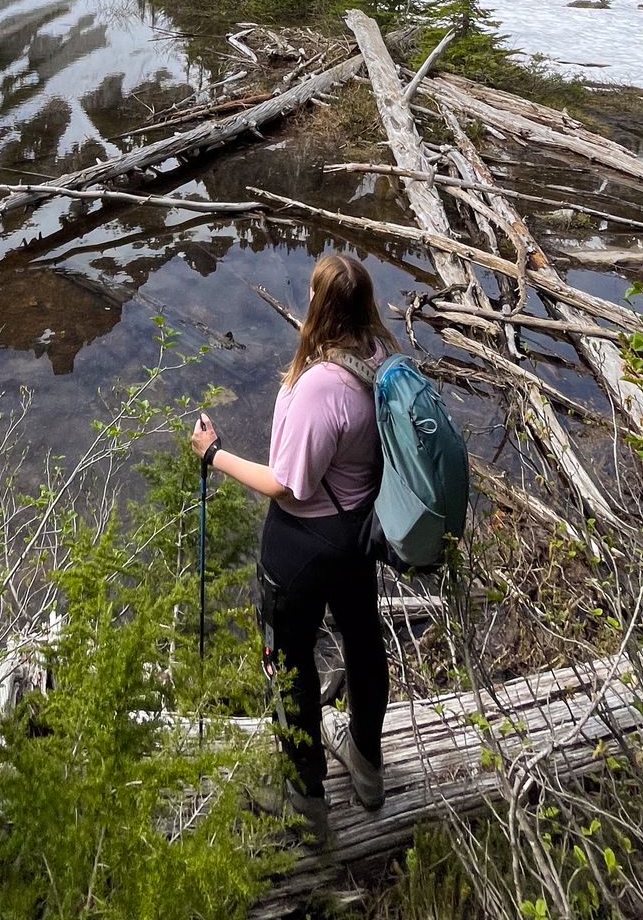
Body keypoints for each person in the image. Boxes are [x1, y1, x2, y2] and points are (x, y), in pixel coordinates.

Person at [190, 250, 392, 843]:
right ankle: (368, 767)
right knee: (362, 637)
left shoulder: (322, 388)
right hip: (359, 533)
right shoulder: (381, 357)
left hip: (303, 543)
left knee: (288, 659)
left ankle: (306, 798)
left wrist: (213, 454)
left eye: (310, 293)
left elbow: (286, 483)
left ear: (321, 305)